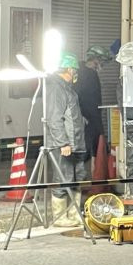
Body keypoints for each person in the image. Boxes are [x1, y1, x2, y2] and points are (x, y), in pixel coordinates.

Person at [43, 53, 87, 227]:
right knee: (64, 178)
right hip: (64, 144)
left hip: (76, 143)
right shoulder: (56, 88)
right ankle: (60, 217)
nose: (76, 73)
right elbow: (54, 118)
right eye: (75, 69)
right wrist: (63, 143)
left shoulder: (66, 88)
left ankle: (74, 214)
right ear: (69, 69)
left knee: (77, 178)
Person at [77, 45, 109, 162]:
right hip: (86, 119)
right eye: (101, 62)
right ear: (95, 59)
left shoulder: (88, 73)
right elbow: (76, 95)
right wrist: (80, 115)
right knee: (86, 149)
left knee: (95, 148)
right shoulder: (83, 74)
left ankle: (92, 170)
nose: (101, 65)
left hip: (92, 117)